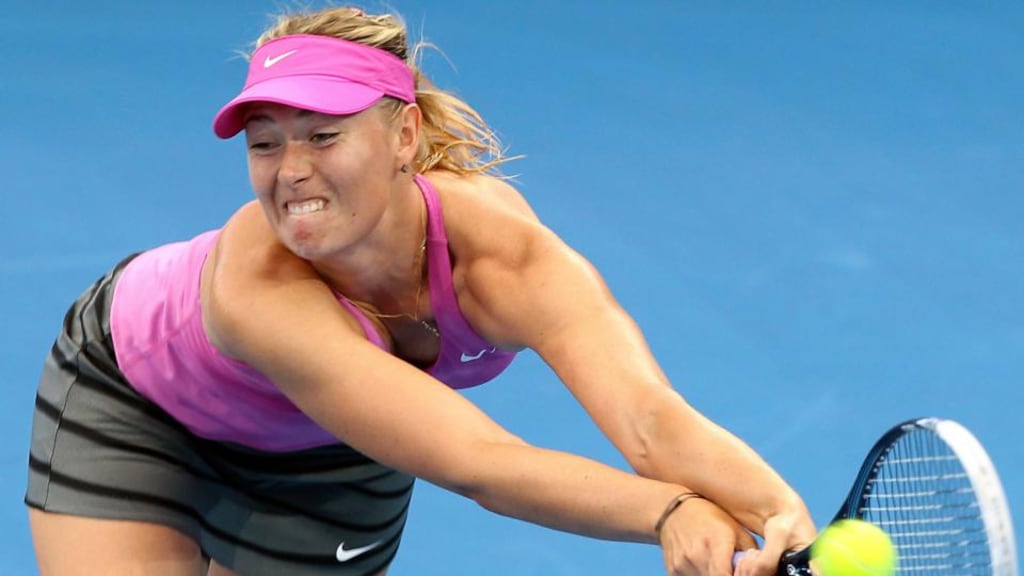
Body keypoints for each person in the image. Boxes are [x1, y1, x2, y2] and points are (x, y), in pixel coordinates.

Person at [25, 5, 815, 576]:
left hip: (332, 453)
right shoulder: (258, 282)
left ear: (403, 136)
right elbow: (482, 462)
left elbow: (648, 417)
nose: (290, 170)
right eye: (266, 145)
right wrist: (669, 512)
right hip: (137, 413)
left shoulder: (500, 253)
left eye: (323, 136)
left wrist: (778, 512)